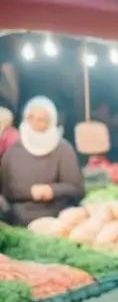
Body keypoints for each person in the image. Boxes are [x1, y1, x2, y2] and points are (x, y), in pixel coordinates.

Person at [0, 96, 84, 225]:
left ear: (51, 121)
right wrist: (30, 192)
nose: (35, 122)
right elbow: (5, 189)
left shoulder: (63, 149)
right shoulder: (14, 151)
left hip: (56, 217)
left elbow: (77, 189)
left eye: (41, 119)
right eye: (31, 118)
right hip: (19, 217)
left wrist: (52, 190)